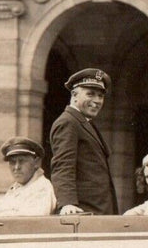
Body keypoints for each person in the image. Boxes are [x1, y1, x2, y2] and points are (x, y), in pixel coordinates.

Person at [48, 68, 118, 215]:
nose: (97, 101)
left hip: (97, 210)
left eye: (100, 96)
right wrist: (67, 203)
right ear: (74, 95)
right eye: (90, 94)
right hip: (83, 211)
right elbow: (63, 165)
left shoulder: (83, 122)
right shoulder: (68, 122)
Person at [0, 137, 56, 218]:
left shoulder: (42, 188)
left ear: (37, 162)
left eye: (22, 161)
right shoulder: (16, 189)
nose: (16, 167)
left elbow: (28, 222)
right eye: (12, 162)